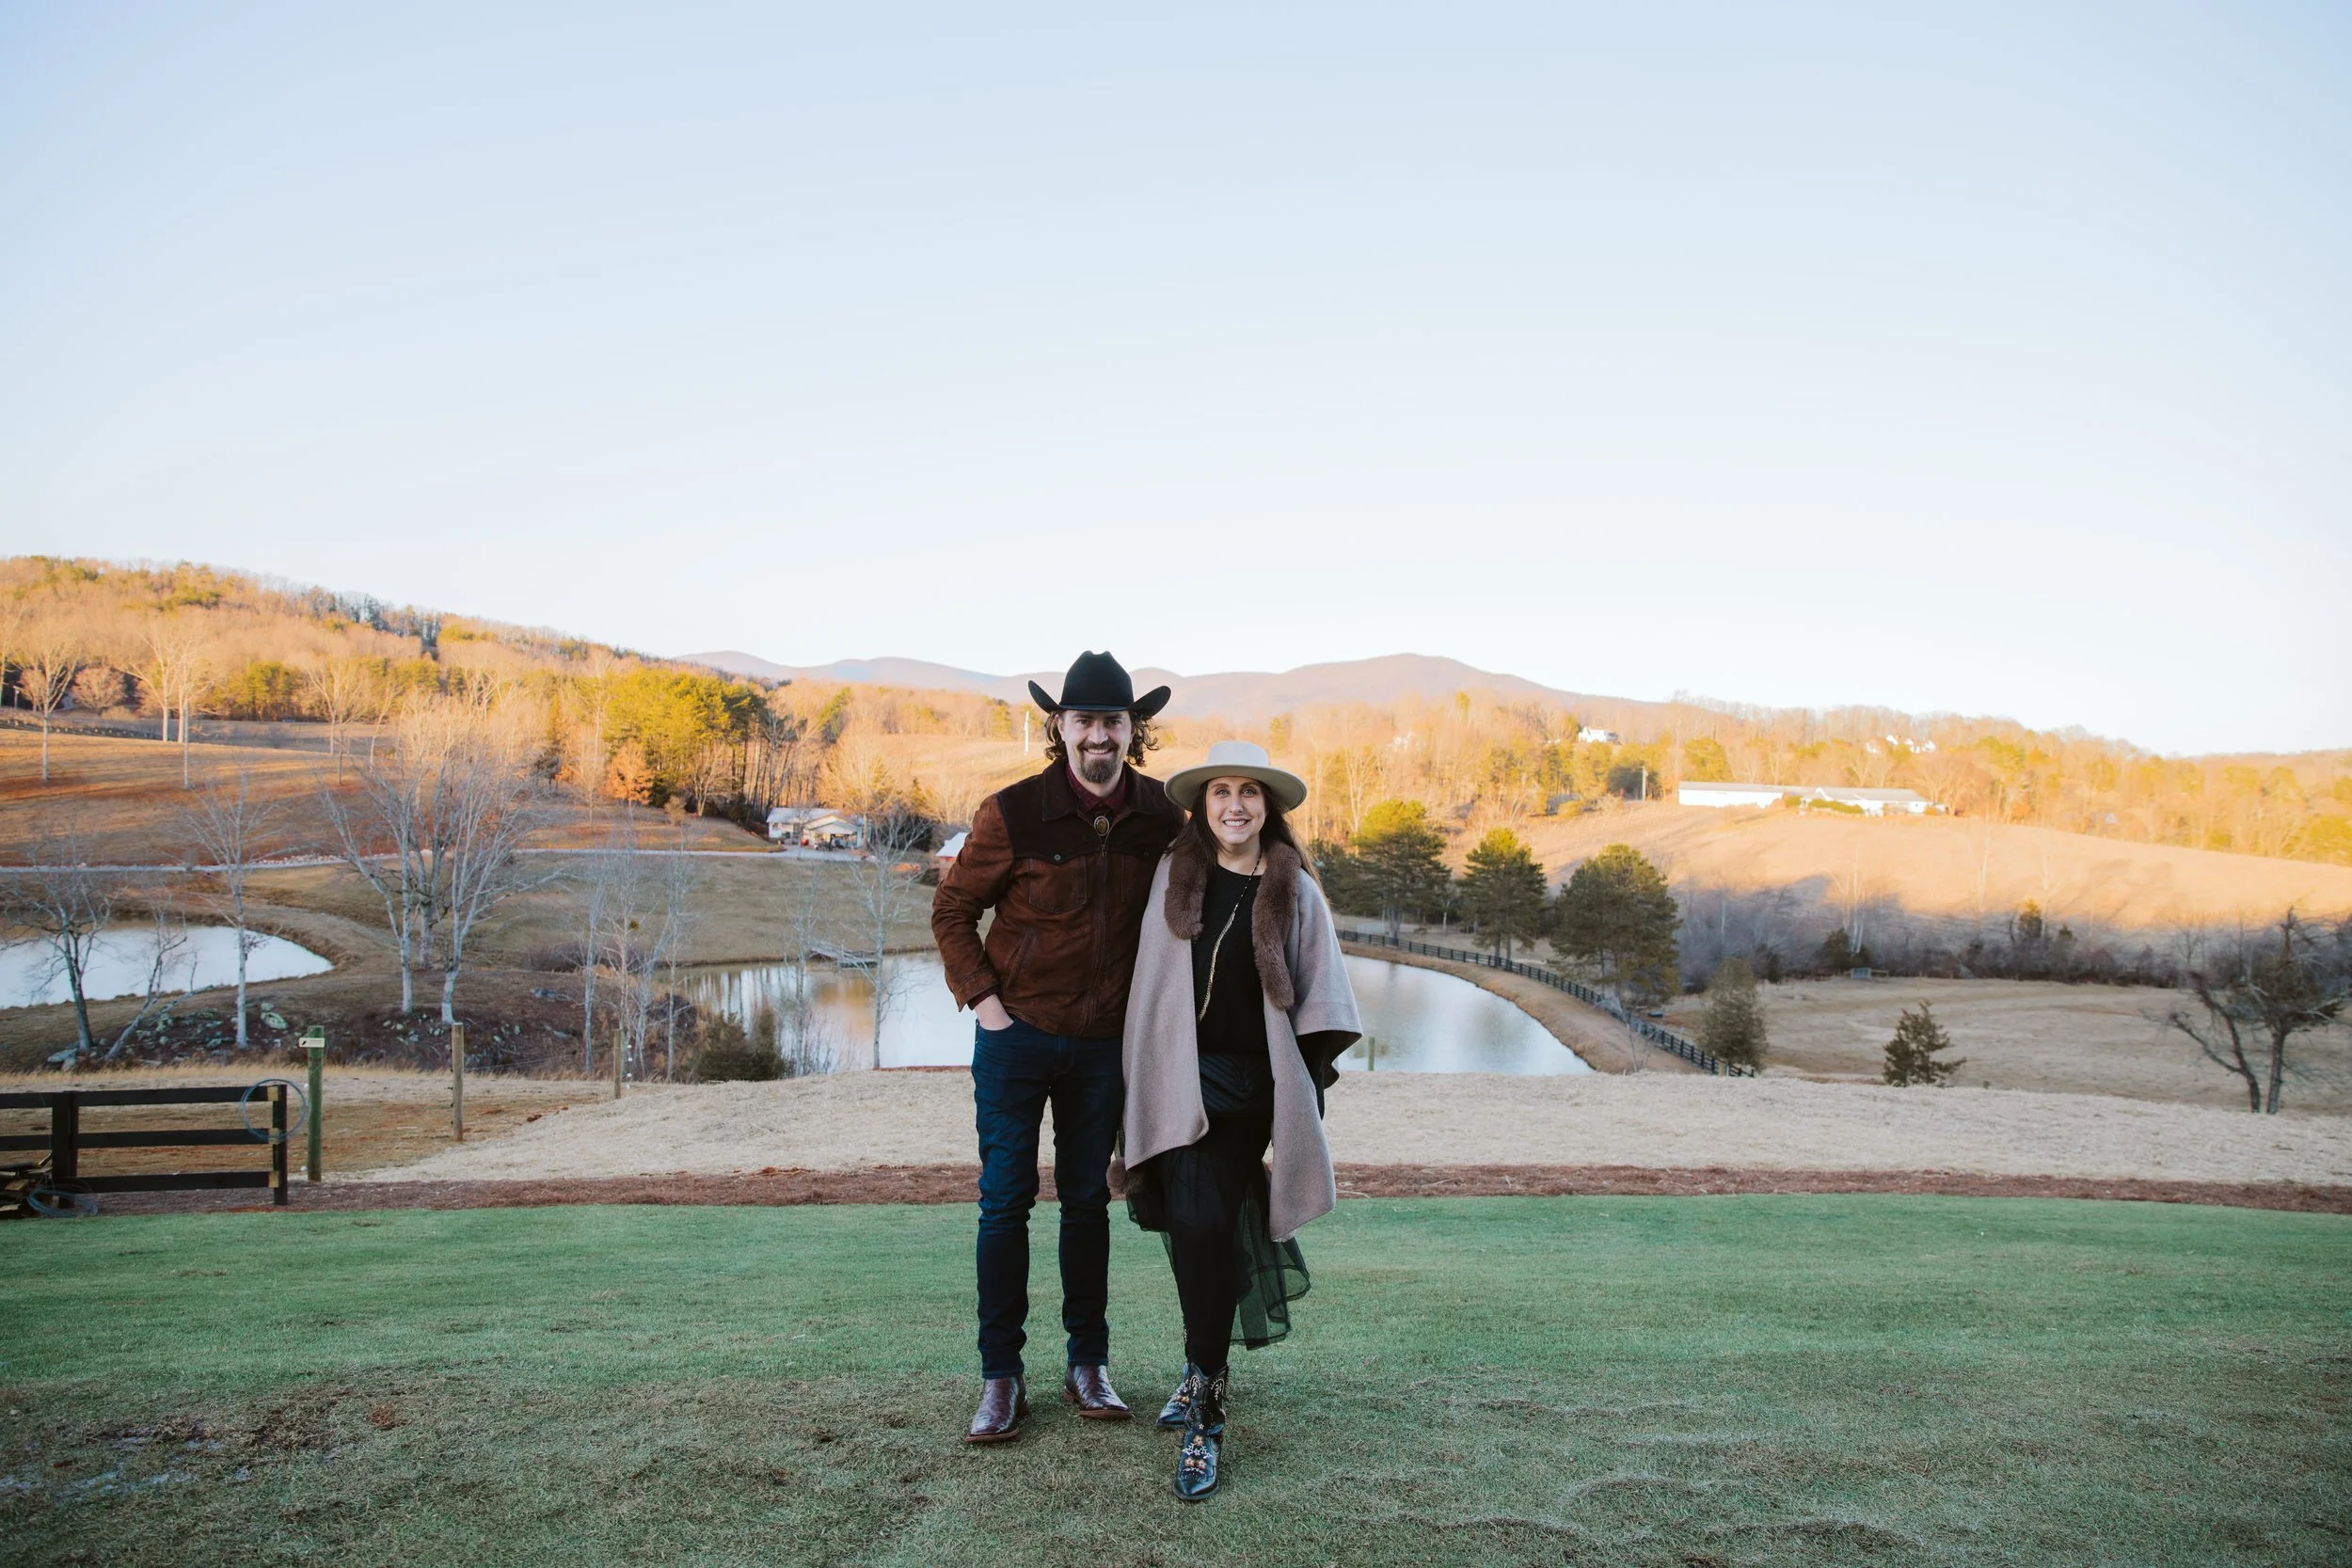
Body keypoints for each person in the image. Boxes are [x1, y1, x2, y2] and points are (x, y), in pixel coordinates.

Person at [930, 650, 1185, 1443]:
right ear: (1060, 727)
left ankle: (1088, 1365)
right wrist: (986, 1003)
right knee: (1005, 1202)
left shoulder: (1161, 817)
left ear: (1132, 729)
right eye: (1085, 721)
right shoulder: (1012, 812)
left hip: (1105, 1048)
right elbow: (951, 910)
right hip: (1018, 1040)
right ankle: (1001, 1378)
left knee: (1087, 1204)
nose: (1099, 735)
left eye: (1113, 721)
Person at [1119, 739, 1361, 1499]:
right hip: (1179, 1082)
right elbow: (1152, 990)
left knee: (1202, 1222)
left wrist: (1298, 1089)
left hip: (1251, 1093)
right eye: (1220, 790)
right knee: (1199, 1227)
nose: (1234, 804)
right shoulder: (1175, 875)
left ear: (1269, 806)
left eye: (1249, 792)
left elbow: (1324, 1005)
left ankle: (1207, 1409)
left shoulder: (1295, 891)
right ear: (1202, 804)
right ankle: (1200, 1371)